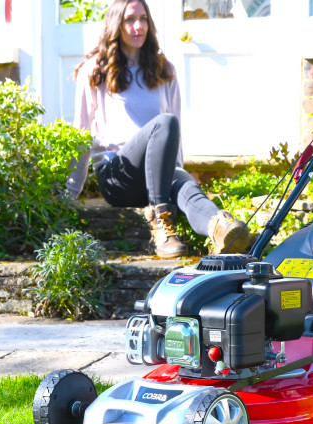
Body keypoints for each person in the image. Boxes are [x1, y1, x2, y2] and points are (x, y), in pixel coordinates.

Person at [66, 0, 250, 258]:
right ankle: (161, 225)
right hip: (118, 176)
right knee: (165, 122)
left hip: (156, 177)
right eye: (130, 20)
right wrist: (69, 194)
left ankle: (221, 229)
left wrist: (178, 174)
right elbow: (81, 133)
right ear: (115, 25)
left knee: (186, 186)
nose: (138, 26)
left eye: (143, 19)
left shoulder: (164, 69)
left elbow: (175, 136)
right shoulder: (95, 70)